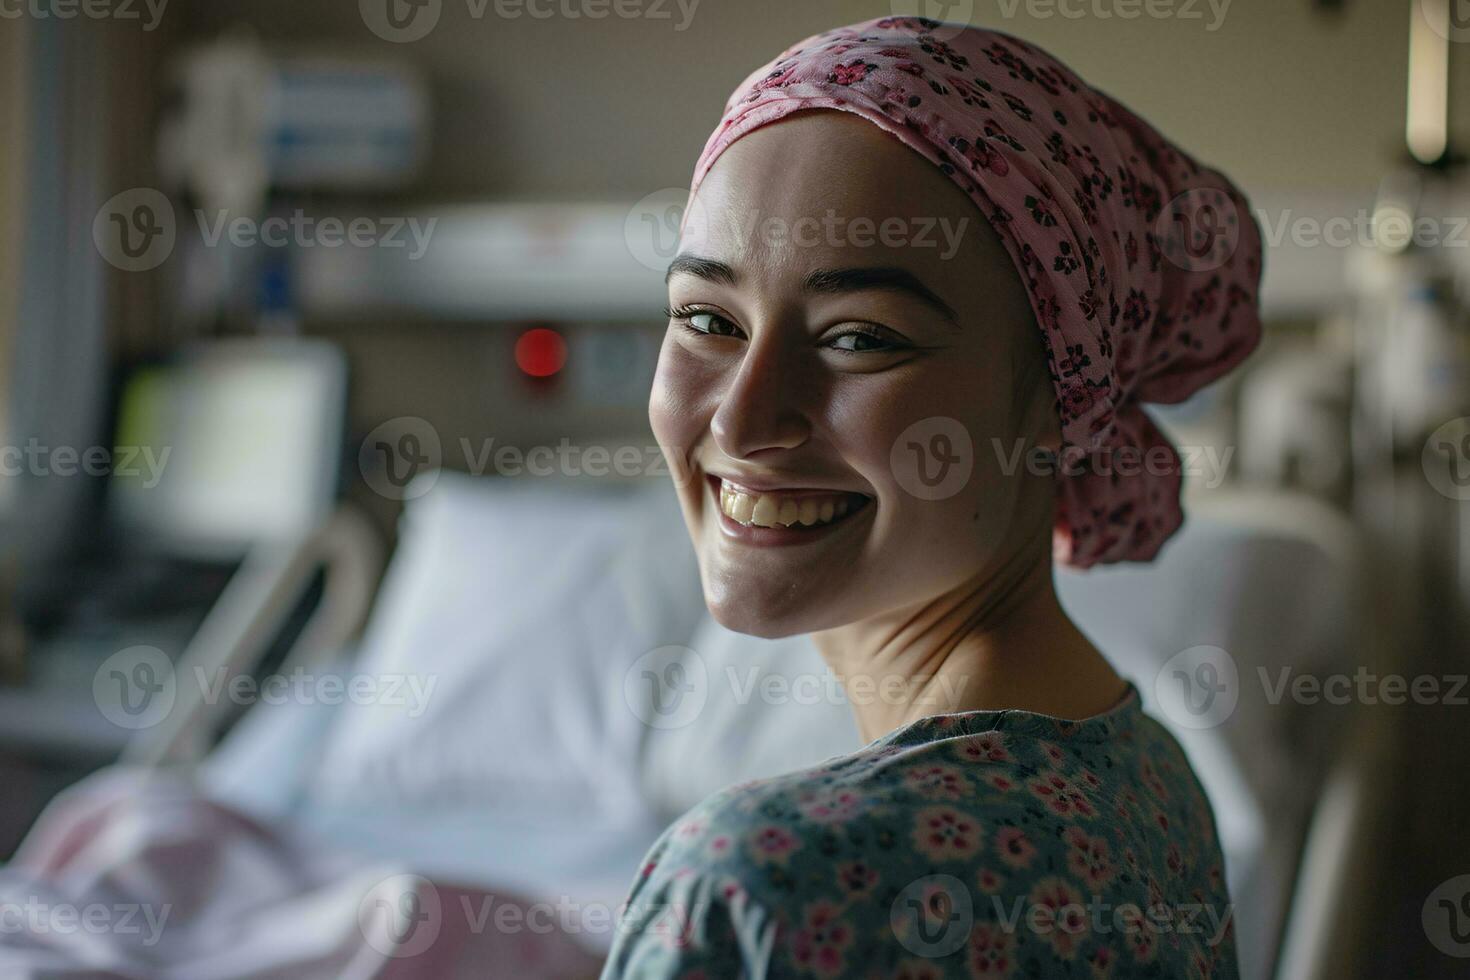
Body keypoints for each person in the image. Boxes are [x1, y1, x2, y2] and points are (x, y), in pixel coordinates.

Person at [604, 16, 1261, 978]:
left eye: (860, 338)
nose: (744, 425)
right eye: (708, 319)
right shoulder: (1150, 784)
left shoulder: (755, 885)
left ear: (1061, 395)